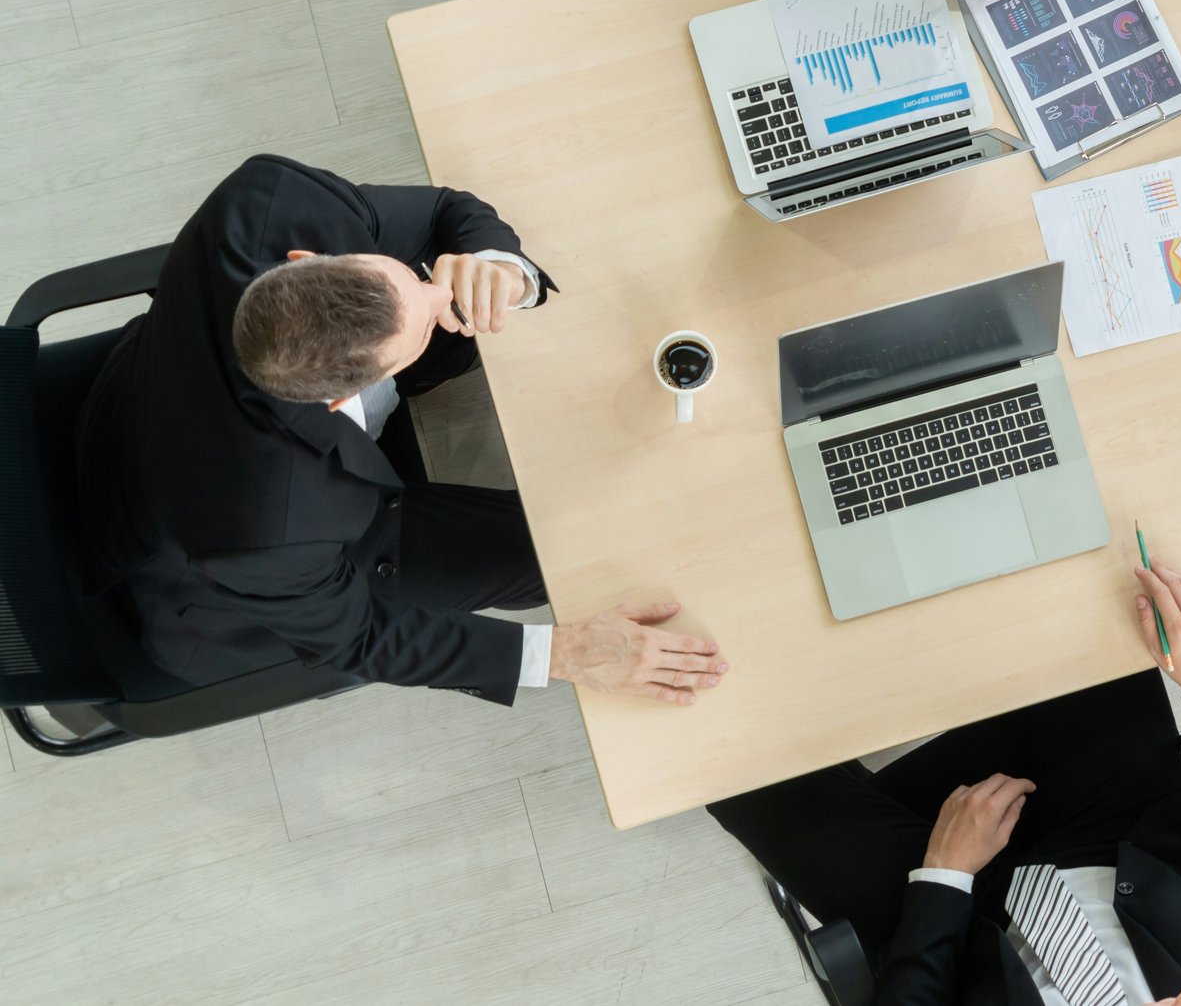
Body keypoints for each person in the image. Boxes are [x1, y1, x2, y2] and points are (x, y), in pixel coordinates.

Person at [77, 155, 728, 708]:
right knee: (566, 552)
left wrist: (499, 269)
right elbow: (359, 636)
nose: (438, 297)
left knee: (472, 319)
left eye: (412, 281)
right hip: (213, 576)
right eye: (421, 318)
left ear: (307, 255)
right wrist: (564, 652)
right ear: (338, 401)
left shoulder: (266, 201)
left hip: (154, 396)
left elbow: (447, 209)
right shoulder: (266, 531)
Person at [707, 561, 1181, 1006]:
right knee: (1075, 585)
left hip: (958, 924)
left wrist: (944, 874)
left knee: (721, 766)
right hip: (1129, 823)